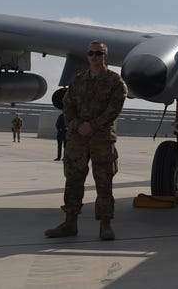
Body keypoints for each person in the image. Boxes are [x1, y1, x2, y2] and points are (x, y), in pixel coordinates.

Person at [45, 40, 127, 241]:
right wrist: (77, 125)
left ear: (105, 55)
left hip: (101, 139)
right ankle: (70, 223)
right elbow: (68, 106)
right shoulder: (78, 80)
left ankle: (105, 225)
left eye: (98, 53)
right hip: (77, 139)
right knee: (73, 180)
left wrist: (93, 125)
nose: (94, 57)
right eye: (91, 53)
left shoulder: (115, 82)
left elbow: (113, 109)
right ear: (87, 56)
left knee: (104, 182)